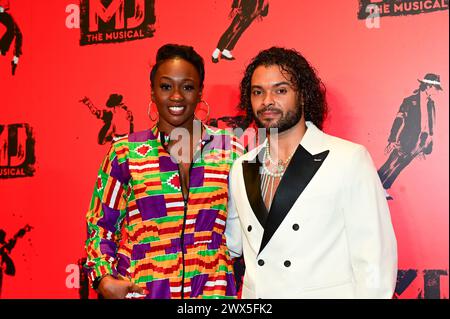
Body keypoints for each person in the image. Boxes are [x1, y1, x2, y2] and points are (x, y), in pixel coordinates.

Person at [225, 47, 398, 298]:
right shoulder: (242, 167)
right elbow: (229, 244)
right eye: (258, 92)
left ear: (303, 95)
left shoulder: (347, 159)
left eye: (280, 90)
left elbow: (374, 260)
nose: (267, 101)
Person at [84, 44, 244, 299]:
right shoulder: (125, 152)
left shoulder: (230, 149)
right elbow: (100, 224)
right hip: (144, 289)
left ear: (200, 91)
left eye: (188, 87)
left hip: (213, 292)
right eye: (166, 86)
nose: (177, 96)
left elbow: (249, 228)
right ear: (153, 91)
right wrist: (103, 277)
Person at [378, 73, 442, 200]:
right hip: (406, 140)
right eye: (436, 88)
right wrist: (392, 139)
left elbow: (431, 125)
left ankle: (383, 188)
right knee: (391, 163)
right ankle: (373, 186)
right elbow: (399, 119)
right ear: (428, 86)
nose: (437, 92)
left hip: (419, 144)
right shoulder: (410, 101)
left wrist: (427, 145)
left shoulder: (431, 104)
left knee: (401, 166)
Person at [0, 0, 23, 75]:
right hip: (2, 10)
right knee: (12, 29)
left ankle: (15, 59)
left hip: (6, 10)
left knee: (18, 34)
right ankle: (2, 49)